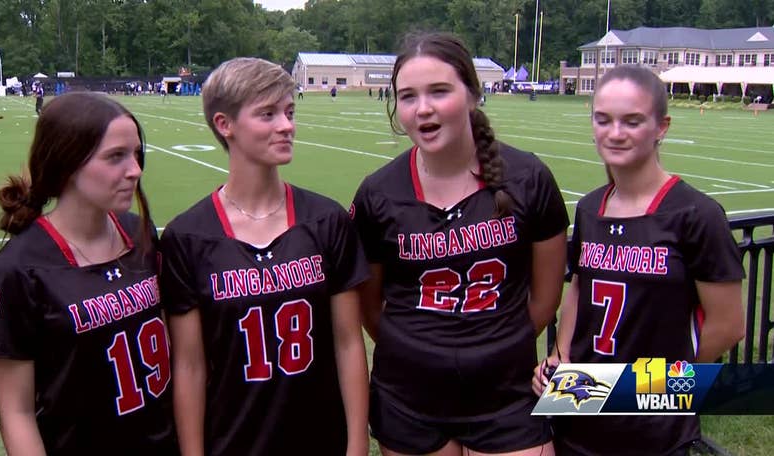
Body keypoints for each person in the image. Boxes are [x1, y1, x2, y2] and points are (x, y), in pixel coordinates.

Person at [351, 32, 568, 456]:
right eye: (408, 96)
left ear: (472, 94)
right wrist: (422, 348)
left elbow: (545, 299)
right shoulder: (379, 193)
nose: (423, 108)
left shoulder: (527, 177)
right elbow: (371, 309)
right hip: (409, 398)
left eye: (439, 91)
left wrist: (492, 346)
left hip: (506, 394)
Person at [532, 65, 745, 455]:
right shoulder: (592, 207)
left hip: (653, 420)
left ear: (661, 127)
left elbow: (728, 325)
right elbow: (581, 286)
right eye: (603, 119)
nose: (615, 133)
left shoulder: (696, 215)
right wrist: (560, 357)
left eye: (632, 121)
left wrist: (652, 387)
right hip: (581, 403)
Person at [161, 57, 369, 456]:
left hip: (319, 438)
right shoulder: (187, 237)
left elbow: (348, 342)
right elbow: (189, 367)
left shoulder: (326, 220)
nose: (286, 125)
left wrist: (357, 444)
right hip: (232, 439)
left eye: (289, 112)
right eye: (268, 114)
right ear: (225, 125)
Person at [0, 92, 178, 456]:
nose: (135, 169)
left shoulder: (140, 233)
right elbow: (17, 412)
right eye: (115, 156)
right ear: (67, 162)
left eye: (135, 154)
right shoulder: (19, 270)